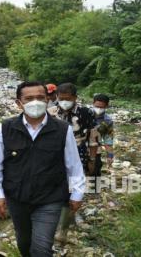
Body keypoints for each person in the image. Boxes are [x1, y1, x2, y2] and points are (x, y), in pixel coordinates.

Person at [0, 81, 85, 257]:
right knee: (24, 243)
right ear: (18, 103)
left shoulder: (62, 130)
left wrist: (77, 194)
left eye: (40, 98)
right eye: (29, 98)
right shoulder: (5, 129)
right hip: (17, 198)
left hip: (50, 198)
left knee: (41, 248)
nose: (35, 102)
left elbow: (74, 165)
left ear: (48, 100)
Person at [47, 83, 97, 243]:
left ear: (75, 98)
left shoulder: (86, 113)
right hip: (55, 155)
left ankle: (64, 230)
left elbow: (93, 137)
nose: (64, 102)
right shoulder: (51, 112)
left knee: (73, 188)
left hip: (78, 153)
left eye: (68, 99)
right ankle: (55, 220)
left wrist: (92, 158)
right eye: (61, 99)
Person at [91, 94, 114, 178]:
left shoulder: (108, 121)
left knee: (95, 172)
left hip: (96, 150)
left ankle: (94, 190)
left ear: (106, 106)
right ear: (93, 104)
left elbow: (108, 140)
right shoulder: (85, 114)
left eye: (102, 107)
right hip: (80, 148)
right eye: (97, 106)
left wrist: (110, 156)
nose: (99, 109)